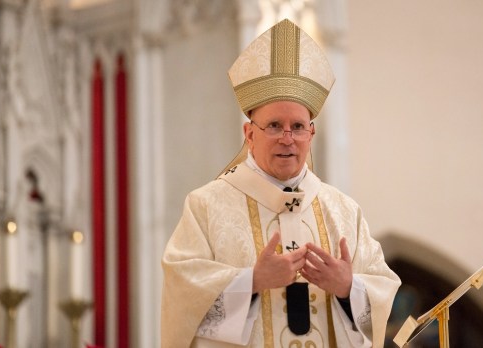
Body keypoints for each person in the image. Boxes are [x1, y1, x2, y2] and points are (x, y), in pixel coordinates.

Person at [161, 19, 400, 348]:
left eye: (298, 127)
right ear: (249, 134)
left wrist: (348, 288)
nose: (288, 139)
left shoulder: (344, 211)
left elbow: (382, 292)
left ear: (311, 134)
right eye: (274, 125)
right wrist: (253, 281)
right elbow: (183, 294)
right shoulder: (206, 206)